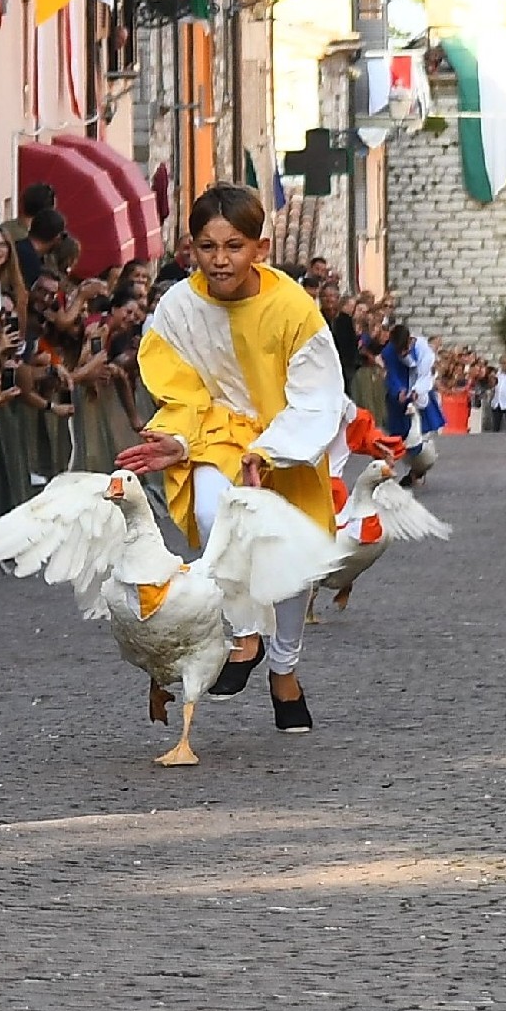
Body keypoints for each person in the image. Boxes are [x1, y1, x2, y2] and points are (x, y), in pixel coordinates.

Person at [116, 184, 344, 741]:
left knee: (291, 561)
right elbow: (180, 390)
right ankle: (244, 636)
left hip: (285, 439)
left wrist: (272, 450)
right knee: (217, 513)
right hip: (215, 434)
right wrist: (177, 439)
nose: (220, 260)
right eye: (207, 247)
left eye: (234, 246)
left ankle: (284, 671)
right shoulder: (177, 309)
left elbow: (316, 394)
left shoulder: (293, 308)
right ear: (190, 248)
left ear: (260, 249)